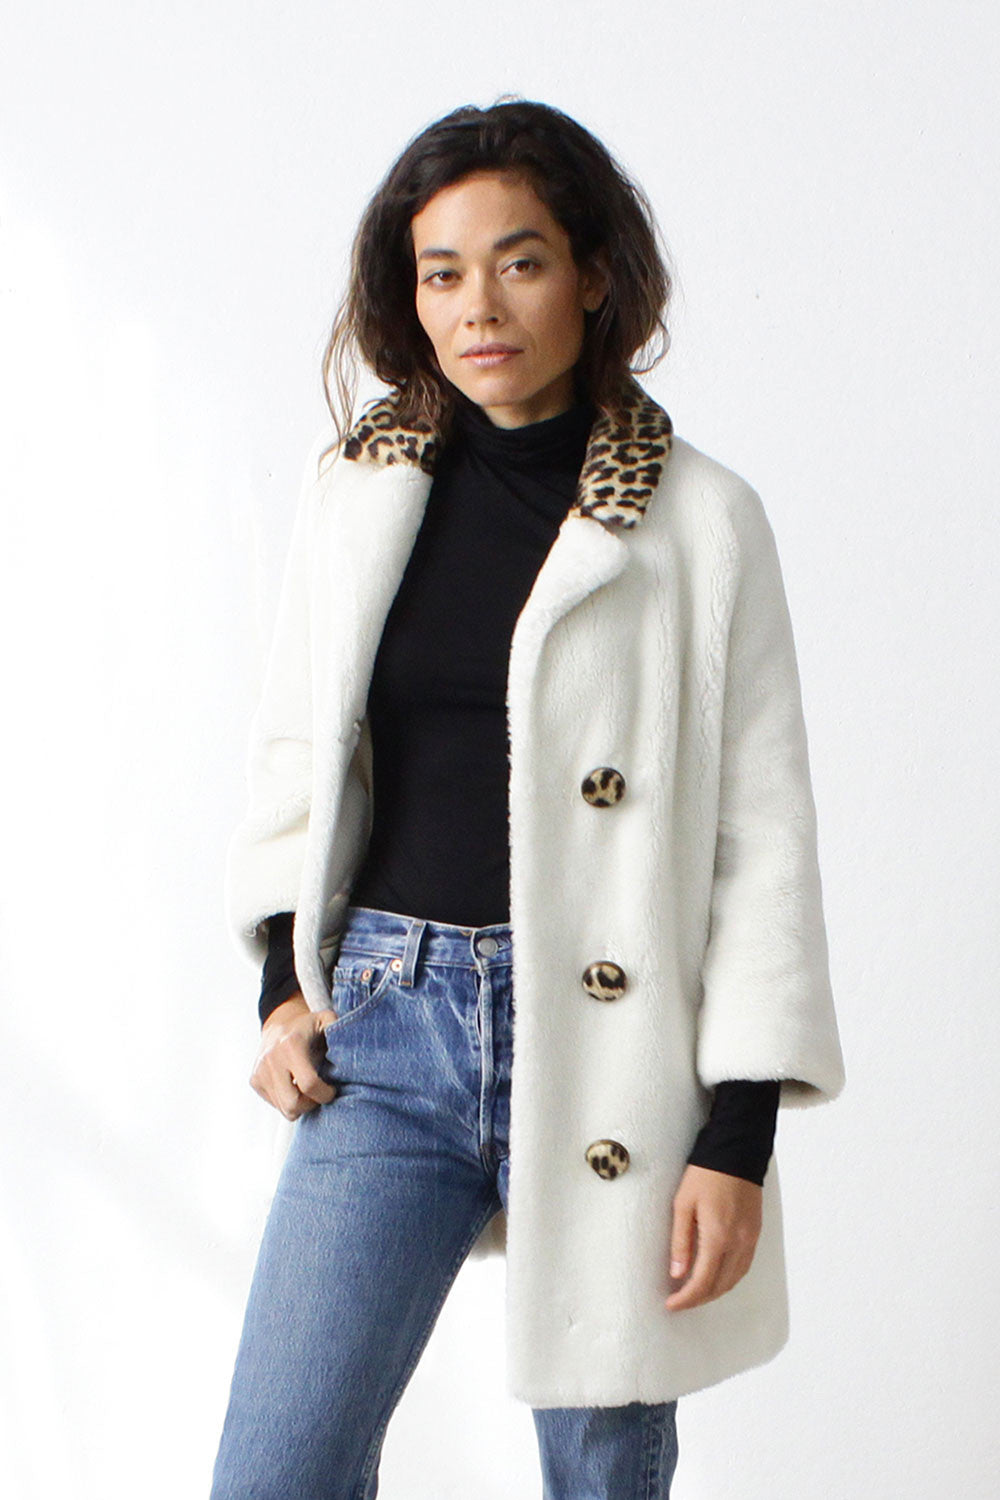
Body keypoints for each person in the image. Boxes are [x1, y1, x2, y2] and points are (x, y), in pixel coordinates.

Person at [211, 97, 846, 1500]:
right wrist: (279, 986)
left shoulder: (702, 522)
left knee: (602, 1478)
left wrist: (736, 1138)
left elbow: (763, 841)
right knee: (274, 1472)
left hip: (622, 1046)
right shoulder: (354, 494)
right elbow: (295, 754)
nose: (478, 307)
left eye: (520, 262)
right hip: (386, 1029)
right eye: (441, 273)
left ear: (594, 274)